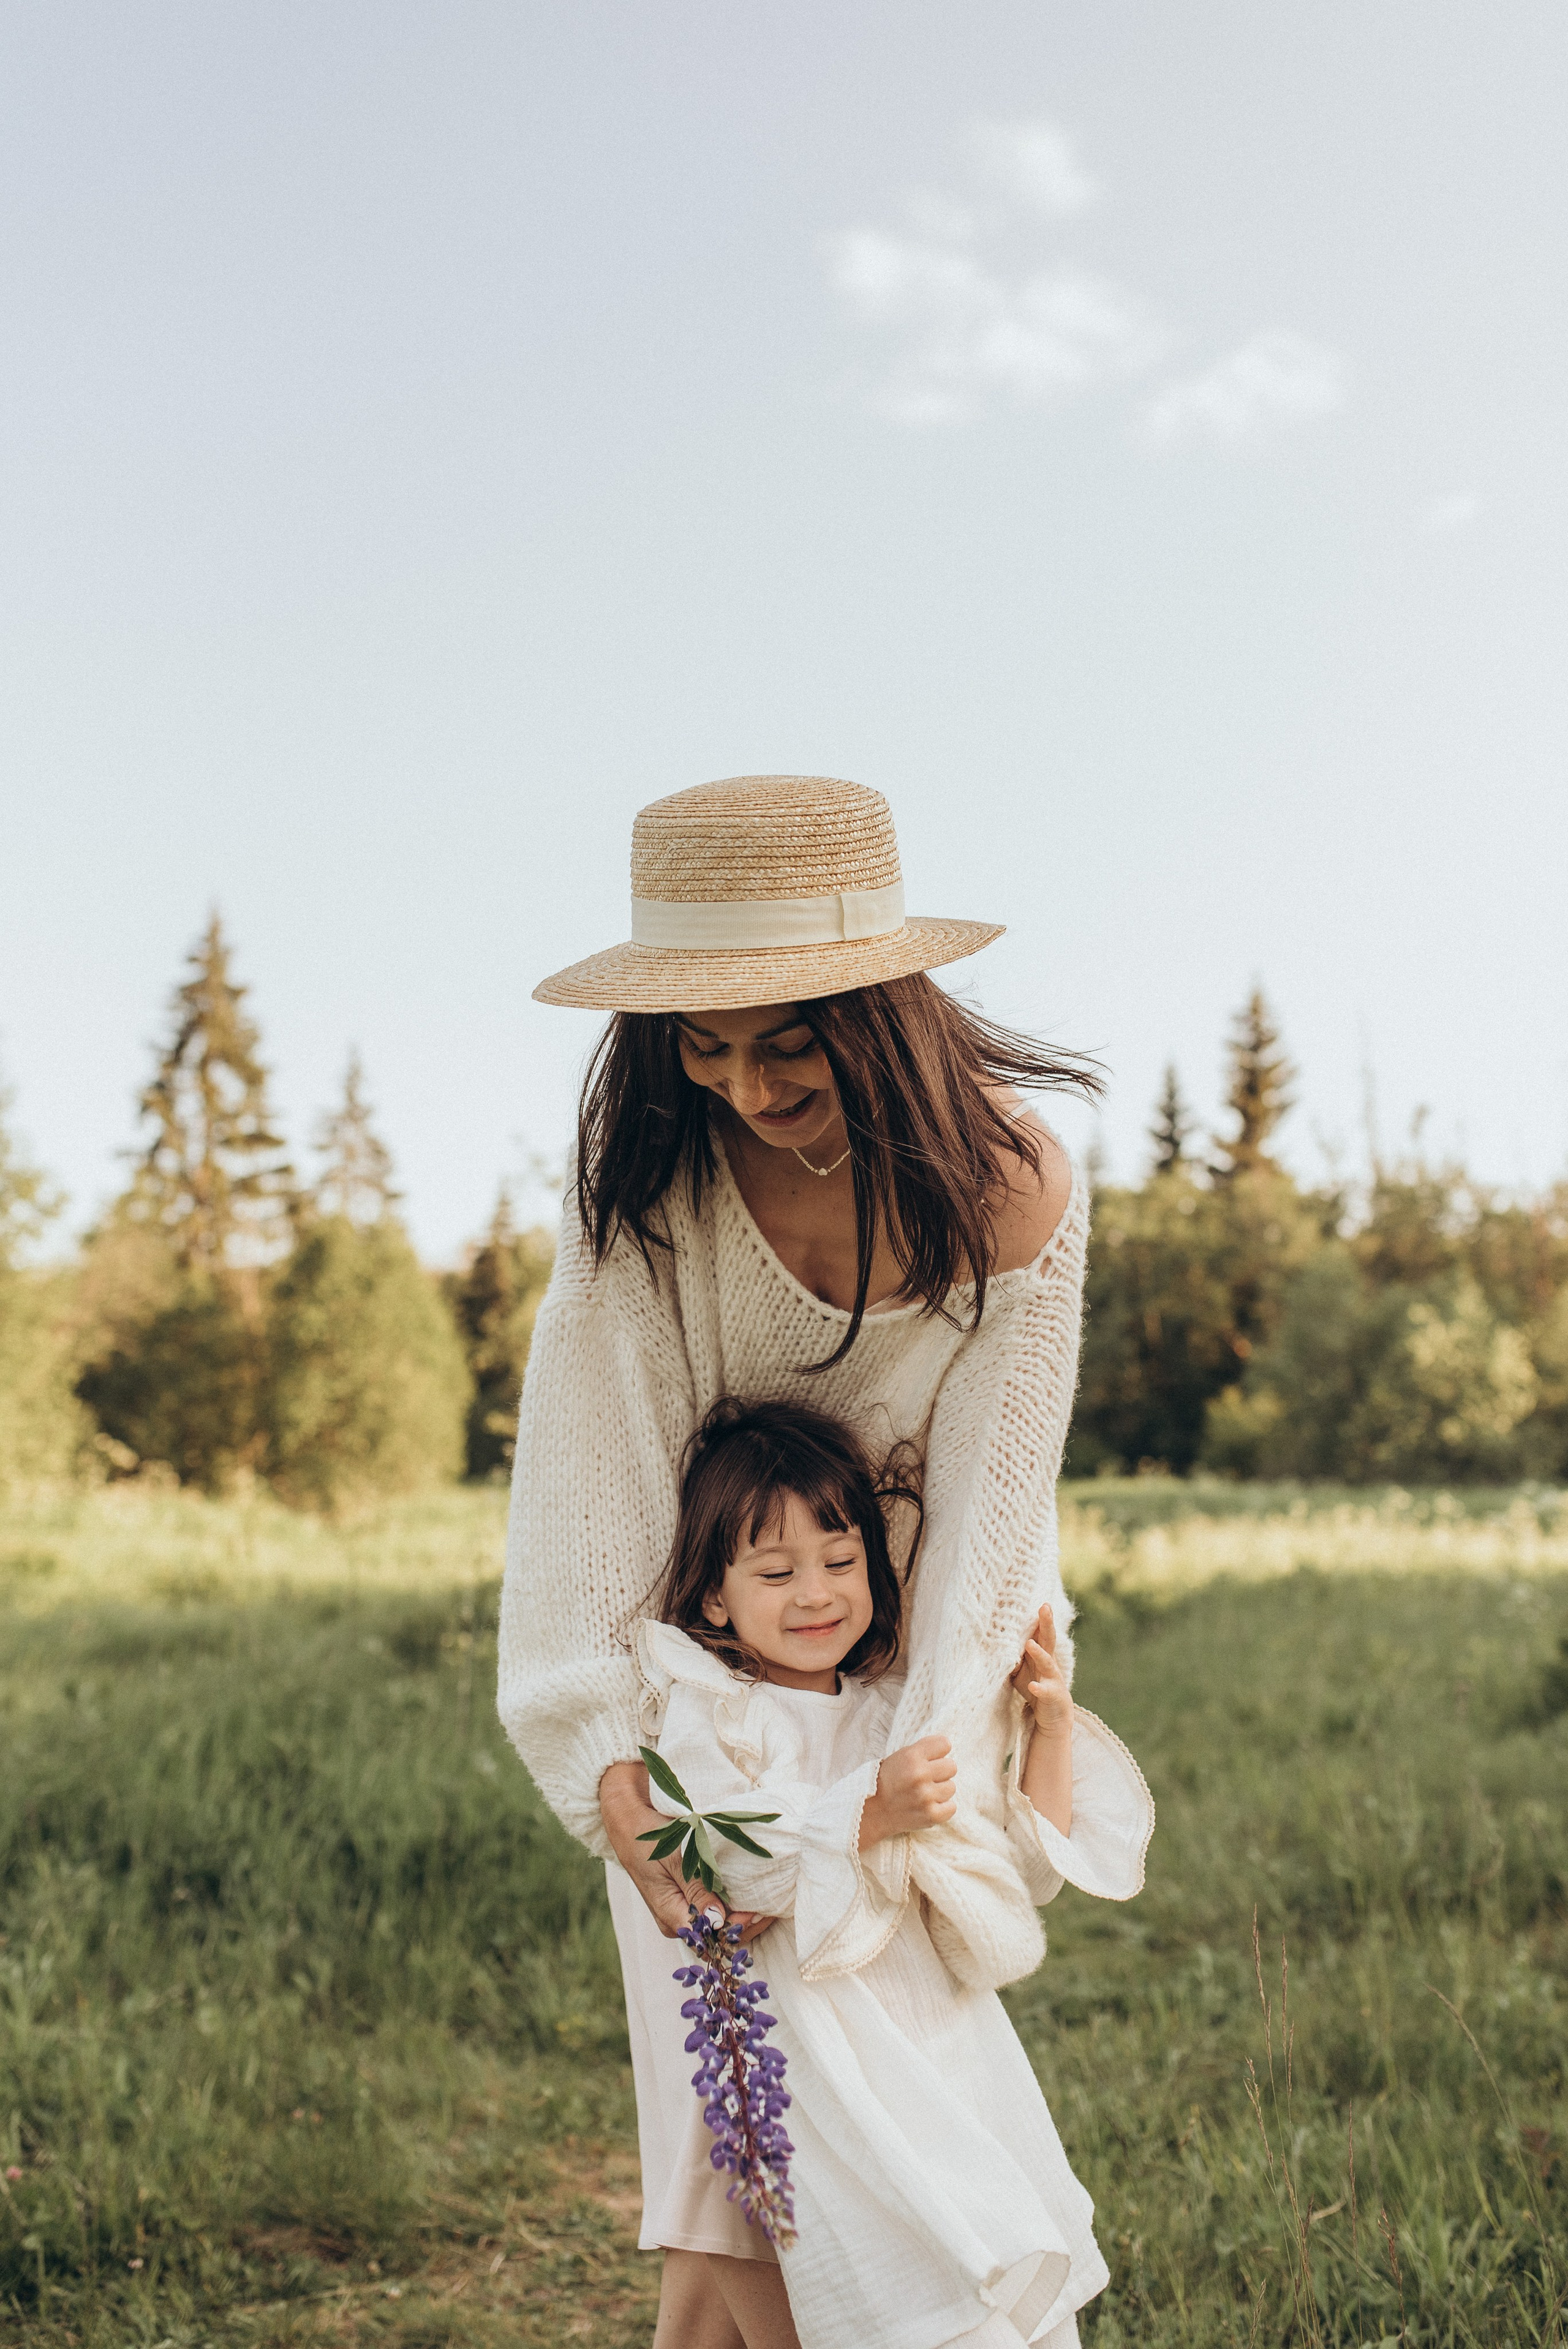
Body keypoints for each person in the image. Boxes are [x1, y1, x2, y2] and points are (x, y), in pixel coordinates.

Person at [500, 773, 1121, 2348]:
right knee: (729, 2184)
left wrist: (922, 1765)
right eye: (699, 1046)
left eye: (784, 1038)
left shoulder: (1013, 1188)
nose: (742, 1083)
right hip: (709, 1707)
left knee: (905, 2137)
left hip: (914, 1680)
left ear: (886, 1008)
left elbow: (990, 1512)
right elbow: (590, 1473)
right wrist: (608, 1761)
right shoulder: (652, 1186)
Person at [637, 1395, 1153, 2349]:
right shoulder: (714, 1714)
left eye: (841, 1563)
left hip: (942, 2044)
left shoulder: (896, 1712)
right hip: (827, 2060)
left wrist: (1045, 1727)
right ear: (716, 1596)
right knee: (897, 2286)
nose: (816, 1594)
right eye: (776, 1571)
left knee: (988, 2258)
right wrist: (871, 1813)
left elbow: (1014, 1865)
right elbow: (733, 1855)